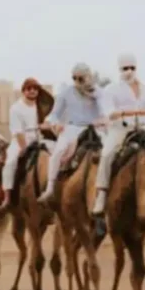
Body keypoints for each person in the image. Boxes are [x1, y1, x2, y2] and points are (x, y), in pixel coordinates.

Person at [92, 53, 145, 215]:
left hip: (144, 128)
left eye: (132, 68)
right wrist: (126, 112)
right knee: (107, 154)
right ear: (120, 69)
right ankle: (102, 193)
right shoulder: (111, 89)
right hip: (120, 129)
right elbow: (109, 112)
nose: (129, 71)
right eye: (125, 68)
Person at [38, 63, 103, 204]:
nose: (77, 82)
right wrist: (57, 124)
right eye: (74, 78)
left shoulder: (98, 92)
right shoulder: (66, 93)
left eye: (81, 78)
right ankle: (50, 188)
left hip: (95, 129)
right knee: (58, 152)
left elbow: (106, 111)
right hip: (72, 128)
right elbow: (54, 115)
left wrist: (103, 119)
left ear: (88, 77)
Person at [0, 78, 48, 211]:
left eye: (35, 89)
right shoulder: (16, 108)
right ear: (23, 91)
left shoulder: (40, 106)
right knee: (10, 163)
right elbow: (17, 131)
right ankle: (7, 196)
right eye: (29, 88)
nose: (32, 91)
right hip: (20, 140)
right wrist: (24, 147)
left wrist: (46, 127)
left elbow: (45, 124)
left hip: (38, 138)